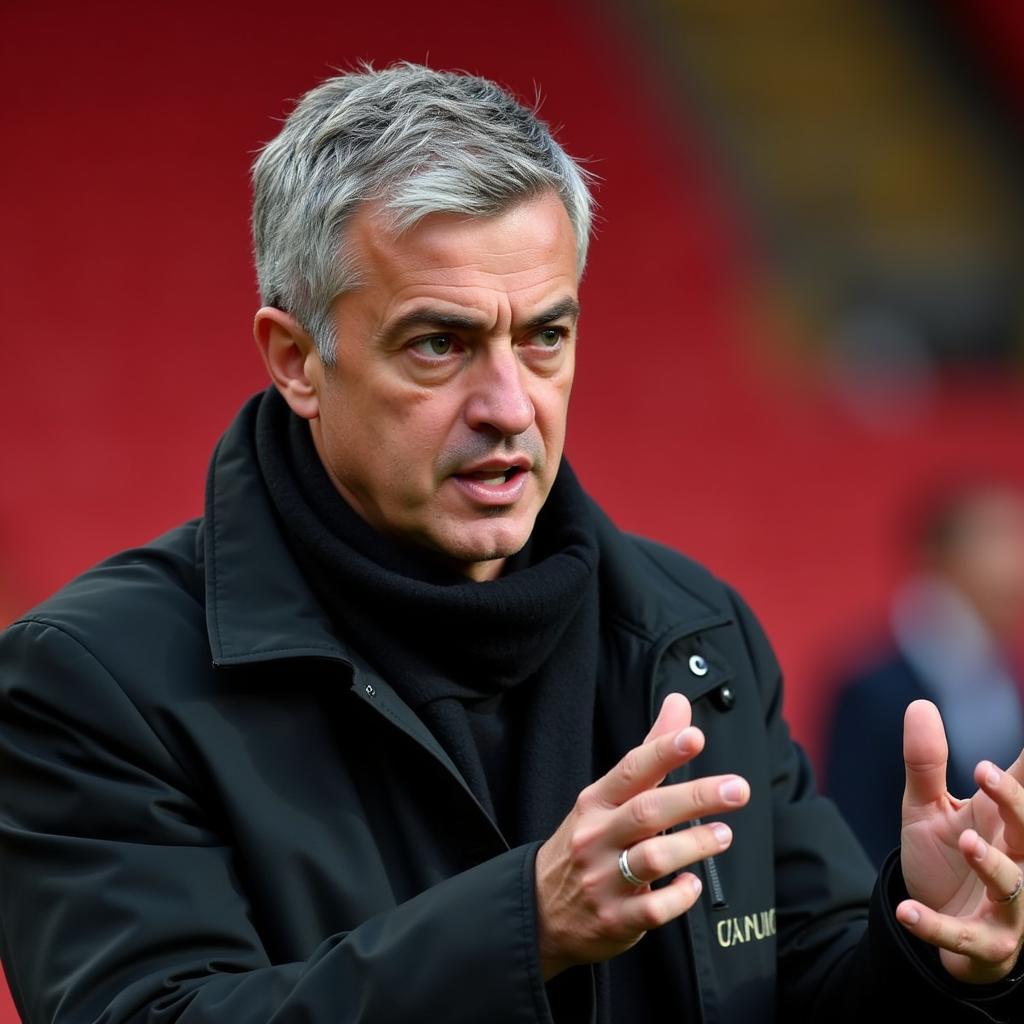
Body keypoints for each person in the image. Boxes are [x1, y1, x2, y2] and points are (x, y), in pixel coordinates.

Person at [1, 64, 1023, 1024]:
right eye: (438, 343)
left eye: (544, 335)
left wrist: (930, 946)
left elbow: (799, 979)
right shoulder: (90, 680)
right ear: (296, 360)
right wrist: (518, 929)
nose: (508, 405)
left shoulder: (689, 628)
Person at [827, 483, 1024, 868]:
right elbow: (851, 837)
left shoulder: (1007, 680)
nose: (1016, 562)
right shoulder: (869, 688)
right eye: (998, 539)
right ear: (937, 556)